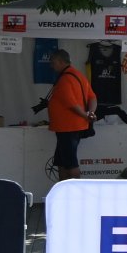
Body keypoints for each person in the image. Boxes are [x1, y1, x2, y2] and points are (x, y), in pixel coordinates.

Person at [41, 48, 97, 181]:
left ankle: (74, 195)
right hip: (69, 127)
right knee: (61, 161)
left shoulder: (65, 79)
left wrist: (86, 115)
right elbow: (93, 97)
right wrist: (90, 113)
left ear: (61, 62)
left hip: (68, 127)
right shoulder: (79, 76)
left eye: (53, 62)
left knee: (70, 162)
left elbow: (71, 104)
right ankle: (63, 191)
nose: (51, 65)